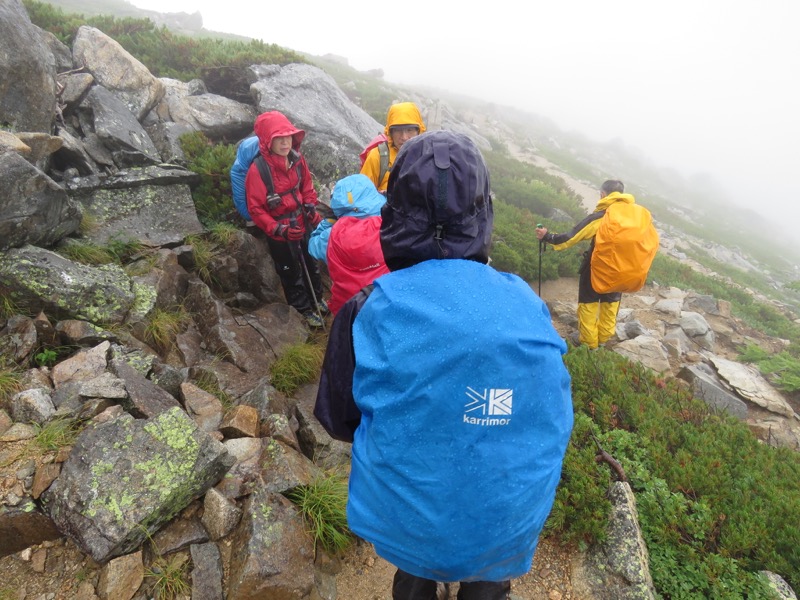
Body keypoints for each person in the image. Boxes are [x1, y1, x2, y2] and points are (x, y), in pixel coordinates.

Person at [315, 130, 574, 600]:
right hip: (505, 518)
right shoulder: (525, 302)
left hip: (408, 520)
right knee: (488, 575)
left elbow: (338, 420)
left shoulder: (365, 308)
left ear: (391, 212)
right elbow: (551, 416)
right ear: (483, 213)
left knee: (415, 562)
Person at [245, 111, 327, 328]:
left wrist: (310, 206)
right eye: (278, 138)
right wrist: (278, 230)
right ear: (266, 141)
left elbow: (307, 187)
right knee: (291, 271)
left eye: (288, 136)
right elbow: (256, 208)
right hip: (280, 229)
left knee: (311, 263)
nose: (285, 142)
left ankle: (317, 299)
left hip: (302, 220)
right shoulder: (258, 170)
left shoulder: (298, 160)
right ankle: (303, 311)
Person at [535, 179, 632, 349]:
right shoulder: (632, 216)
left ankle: (589, 347)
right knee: (610, 306)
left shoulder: (602, 217)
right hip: (622, 271)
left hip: (597, 270)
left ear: (603, 194)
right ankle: (602, 341)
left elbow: (572, 236)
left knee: (589, 305)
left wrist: (548, 236)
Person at [308, 173, 390, 316]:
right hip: (385, 301)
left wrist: (328, 221)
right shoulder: (390, 226)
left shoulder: (331, 235)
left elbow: (312, 246)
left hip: (348, 309)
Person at [360, 101, 426, 193]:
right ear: (390, 132)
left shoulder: (427, 157)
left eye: (409, 130)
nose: (404, 137)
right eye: (398, 130)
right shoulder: (378, 156)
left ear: (419, 131)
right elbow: (362, 194)